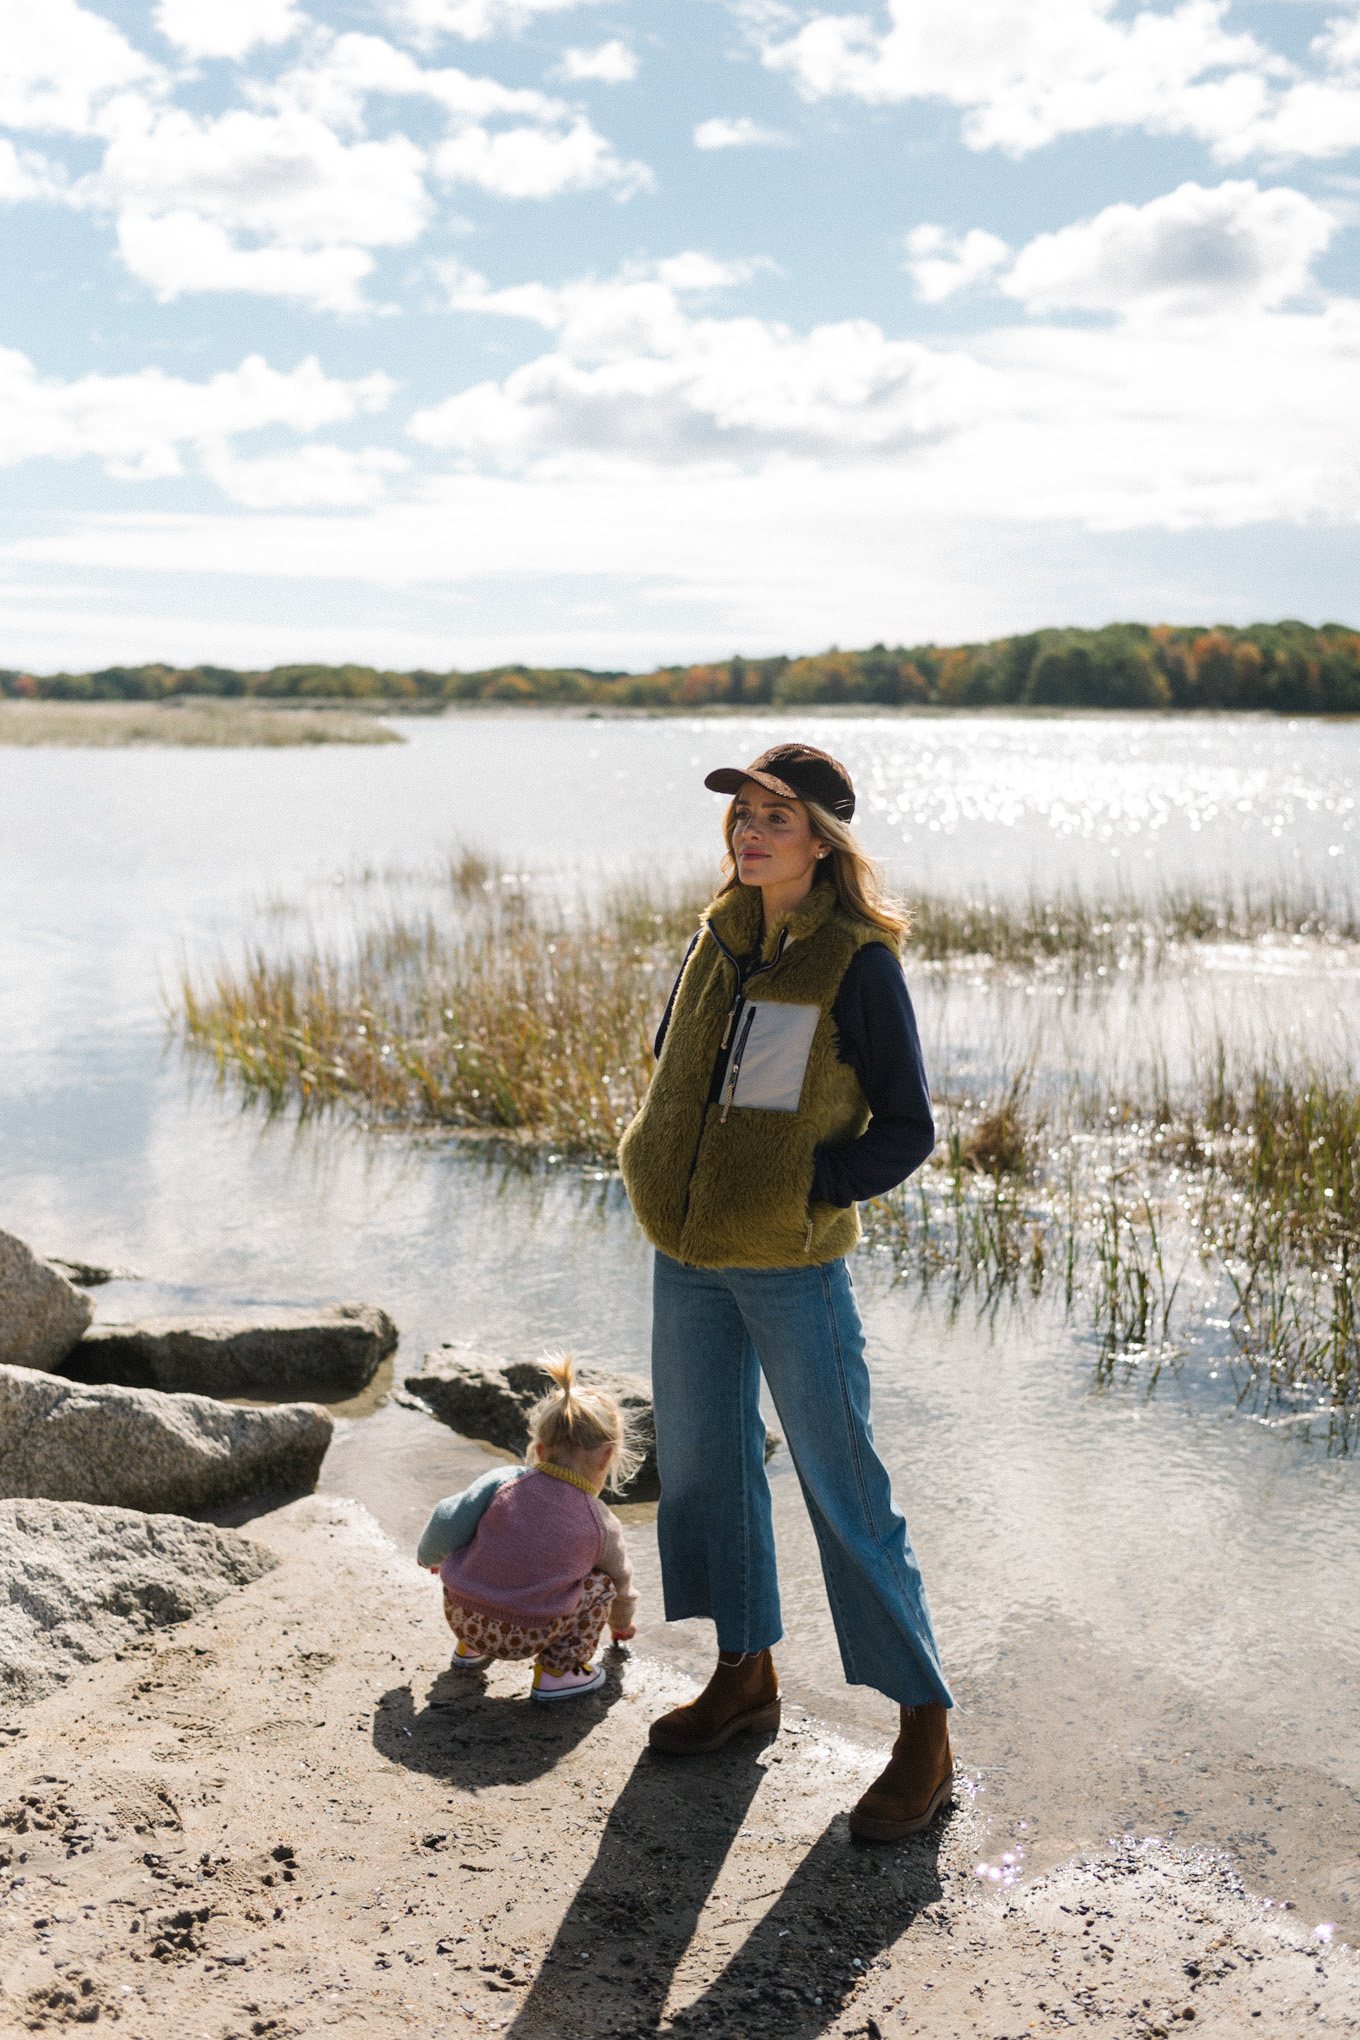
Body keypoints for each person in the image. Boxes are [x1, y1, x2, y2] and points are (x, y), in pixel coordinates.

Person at [618, 742, 953, 1840]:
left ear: (824, 840)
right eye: (743, 814)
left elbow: (906, 1128)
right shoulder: (715, 939)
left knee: (843, 1491)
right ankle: (742, 1676)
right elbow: (680, 1070)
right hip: (687, 1254)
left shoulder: (857, 962)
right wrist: (661, 1159)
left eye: (777, 816)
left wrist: (809, 1190)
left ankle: (922, 1731)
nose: (751, 832)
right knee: (708, 1471)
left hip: (790, 1266)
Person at [415, 1357, 639, 1702]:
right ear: (607, 1458)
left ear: (539, 1449)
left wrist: (430, 1556)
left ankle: (469, 1650)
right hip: (527, 1635)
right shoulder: (601, 1521)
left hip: (463, 1616)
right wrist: (620, 1625)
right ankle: (558, 1672)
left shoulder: (504, 1482)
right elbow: (622, 1587)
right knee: (602, 1583)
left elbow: (446, 1518)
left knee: (478, 1533)